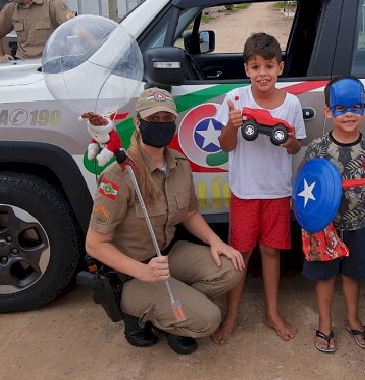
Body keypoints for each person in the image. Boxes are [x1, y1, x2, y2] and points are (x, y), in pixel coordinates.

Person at [85, 87, 245, 355]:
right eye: (153, 119)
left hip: (167, 256)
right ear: (138, 122)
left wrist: (216, 241)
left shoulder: (179, 163)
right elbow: (95, 244)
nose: (160, 125)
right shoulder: (119, 175)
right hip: (133, 273)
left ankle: (175, 314)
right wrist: (143, 272)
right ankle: (138, 315)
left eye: (166, 119)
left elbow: (190, 212)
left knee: (233, 268)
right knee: (209, 319)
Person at [212, 32, 306, 344]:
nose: (262, 73)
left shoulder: (291, 102)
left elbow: (294, 148)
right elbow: (226, 145)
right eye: (255, 67)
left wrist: (288, 138)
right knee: (240, 254)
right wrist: (232, 125)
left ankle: (273, 313)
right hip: (245, 192)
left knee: (271, 251)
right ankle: (232, 316)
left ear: (280, 67)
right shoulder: (235, 99)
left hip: (277, 192)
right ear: (246, 70)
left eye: (268, 66)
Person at [299, 76, 365, 353]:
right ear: (328, 111)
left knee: (353, 275)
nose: (349, 113)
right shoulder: (317, 147)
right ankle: (325, 323)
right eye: (341, 108)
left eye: (356, 106)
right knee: (325, 276)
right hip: (323, 226)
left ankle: (353, 319)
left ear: (364, 108)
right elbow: (306, 182)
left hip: (357, 223)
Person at [0, 0, 75, 61]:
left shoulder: (52, 4)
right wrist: (0, 56)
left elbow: (76, 29)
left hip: (50, 64)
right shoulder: (11, 8)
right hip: (23, 65)